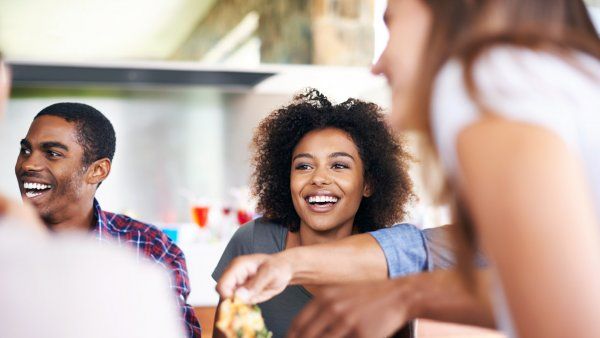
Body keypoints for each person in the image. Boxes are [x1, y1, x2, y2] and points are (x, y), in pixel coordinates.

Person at [219, 1, 600, 337]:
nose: (378, 63)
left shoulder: (485, 88)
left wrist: (404, 295)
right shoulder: (560, 78)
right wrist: (290, 265)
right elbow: (435, 251)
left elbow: (570, 311)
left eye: (392, 22)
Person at [212, 89, 426, 338]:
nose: (319, 178)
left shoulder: (390, 262)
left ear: (368, 184)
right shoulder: (252, 242)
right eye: (304, 166)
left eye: (339, 165)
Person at [0, 56, 185, 338]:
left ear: (97, 170)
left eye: (52, 153)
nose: (28, 165)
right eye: (26, 150)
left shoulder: (151, 250)